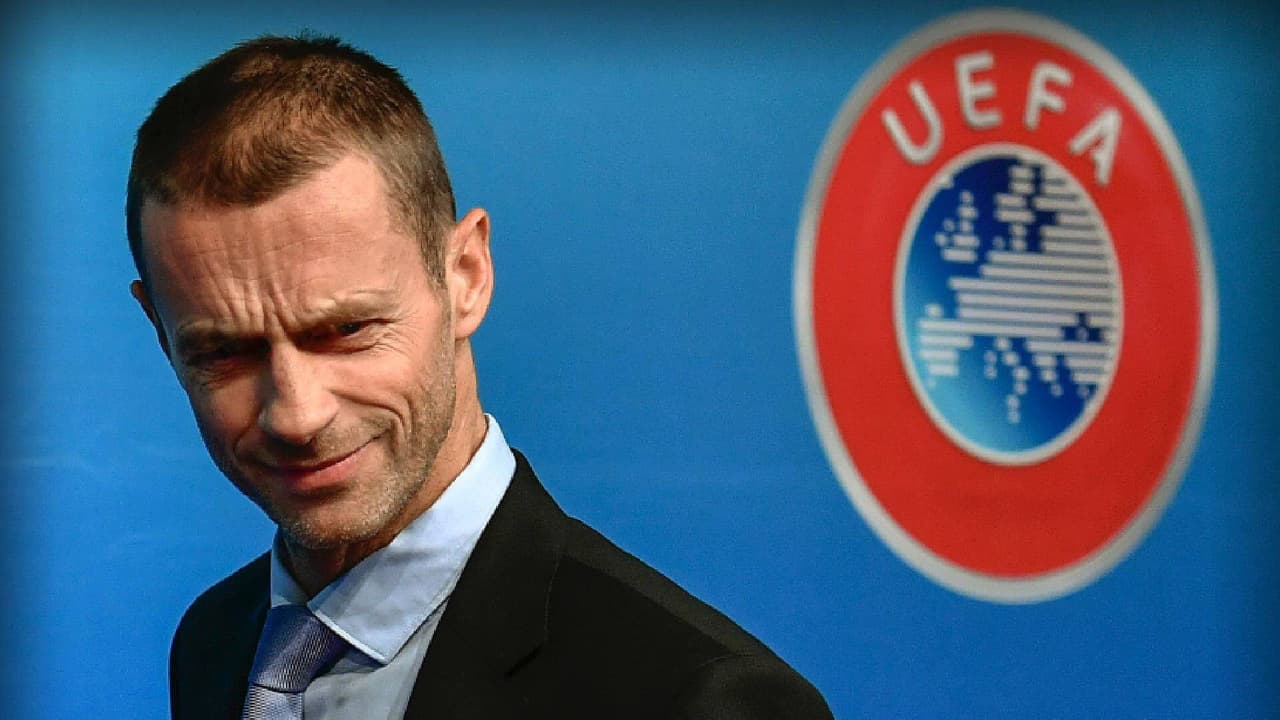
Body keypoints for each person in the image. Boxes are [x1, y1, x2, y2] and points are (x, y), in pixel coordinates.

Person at [128, 34, 833, 720]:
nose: (297, 414)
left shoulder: (701, 700)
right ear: (161, 333)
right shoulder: (217, 641)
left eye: (346, 331)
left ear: (465, 276)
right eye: (224, 352)